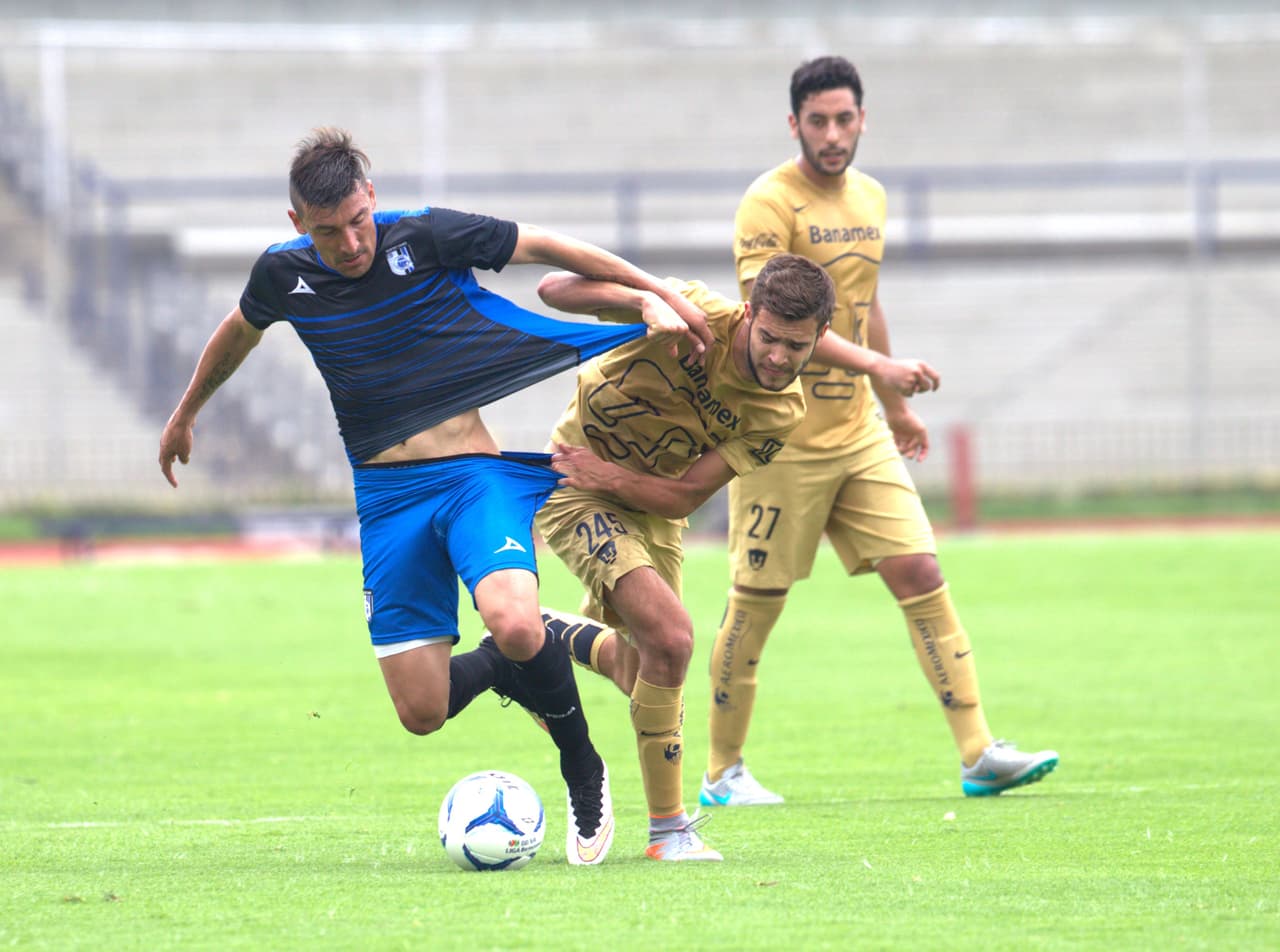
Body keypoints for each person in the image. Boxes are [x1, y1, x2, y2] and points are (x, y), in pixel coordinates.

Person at [156, 127, 715, 866]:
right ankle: (512, 664)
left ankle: (582, 764)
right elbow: (240, 330)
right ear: (297, 226)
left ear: (372, 200)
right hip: (387, 499)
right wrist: (187, 410)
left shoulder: (424, 235)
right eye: (328, 232)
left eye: (358, 221)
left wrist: (656, 293)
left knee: (518, 623)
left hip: (471, 478)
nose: (350, 243)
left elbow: (545, 246)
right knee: (422, 711)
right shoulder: (281, 275)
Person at [697, 55, 1059, 806]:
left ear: (864, 119)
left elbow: (862, 302)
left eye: (845, 119)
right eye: (818, 121)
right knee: (755, 604)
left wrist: (892, 404)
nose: (833, 134)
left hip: (856, 431)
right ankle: (722, 772)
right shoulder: (768, 205)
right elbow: (781, 327)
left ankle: (978, 752)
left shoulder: (871, 197)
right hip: (779, 436)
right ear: (793, 124)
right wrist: (880, 369)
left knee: (920, 571)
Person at [531, 253, 937, 860]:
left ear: (820, 339)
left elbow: (685, 493)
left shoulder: (780, 411)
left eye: (795, 346)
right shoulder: (693, 311)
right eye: (769, 337)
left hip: (643, 498)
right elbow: (551, 287)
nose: (777, 357)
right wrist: (646, 301)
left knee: (640, 669)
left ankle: (535, 641)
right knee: (672, 641)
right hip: (573, 484)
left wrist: (613, 477)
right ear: (749, 314)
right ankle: (668, 832)